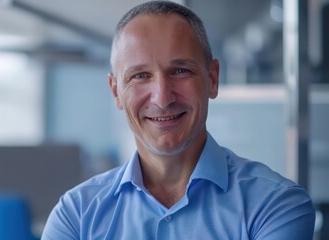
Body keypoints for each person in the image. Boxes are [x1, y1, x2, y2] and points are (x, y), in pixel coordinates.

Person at [41, 1, 315, 239]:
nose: (162, 97)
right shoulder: (76, 215)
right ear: (116, 91)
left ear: (212, 79)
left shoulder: (275, 205)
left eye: (180, 70)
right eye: (140, 75)